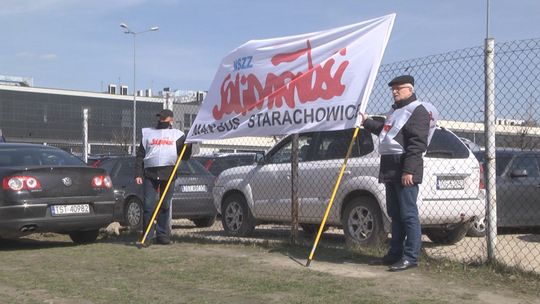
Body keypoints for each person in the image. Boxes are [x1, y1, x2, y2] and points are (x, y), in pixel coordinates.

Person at [358, 75, 437, 271]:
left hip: (405, 169)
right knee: (395, 214)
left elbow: (417, 144)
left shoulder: (417, 111)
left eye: (398, 88)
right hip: (390, 168)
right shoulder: (395, 111)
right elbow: (386, 132)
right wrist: (367, 121)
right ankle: (394, 254)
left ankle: (411, 257)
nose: (394, 91)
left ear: (410, 89)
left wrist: (409, 170)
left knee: (409, 214)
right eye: (393, 88)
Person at [135, 109, 191, 247]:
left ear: (171, 119)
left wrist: (189, 145)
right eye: (160, 117)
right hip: (150, 173)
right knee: (148, 205)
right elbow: (140, 155)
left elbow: (185, 156)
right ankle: (147, 236)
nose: (161, 119)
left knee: (165, 204)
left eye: (164, 117)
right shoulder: (147, 133)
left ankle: (162, 235)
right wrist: (138, 173)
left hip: (169, 173)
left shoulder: (177, 135)